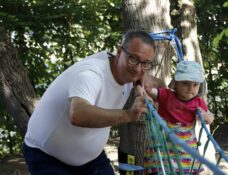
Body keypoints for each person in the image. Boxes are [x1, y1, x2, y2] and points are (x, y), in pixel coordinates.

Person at [23, 30, 160, 175]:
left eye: (145, 63)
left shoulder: (130, 73)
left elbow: (162, 86)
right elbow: (78, 114)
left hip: (92, 160)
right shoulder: (92, 74)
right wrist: (128, 115)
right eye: (133, 59)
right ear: (119, 52)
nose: (138, 68)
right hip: (47, 157)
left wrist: (148, 80)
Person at [144, 60, 214, 174]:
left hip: (185, 144)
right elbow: (149, 90)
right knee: (161, 168)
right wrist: (144, 84)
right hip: (164, 142)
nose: (191, 88)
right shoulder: (166, 95)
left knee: (186, 169)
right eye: (185, 83)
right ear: (176, 83)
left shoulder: (198, 103)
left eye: (195, 84)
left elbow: (210, 119)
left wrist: (205, 116)